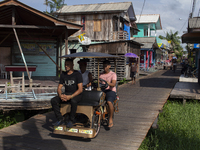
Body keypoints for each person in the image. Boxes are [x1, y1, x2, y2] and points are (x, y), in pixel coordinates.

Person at [51, 58, 83, 128]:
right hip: (66, 93)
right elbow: (59, 87)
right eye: (65, 65)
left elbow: (80, 89)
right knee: (53, 100)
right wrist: (60, 95)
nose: (66, 66)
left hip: (76, 94)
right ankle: (60, 118)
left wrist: (70, 96)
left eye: (68, 65)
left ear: (72, 65)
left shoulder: (77, 74)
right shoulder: (63, 75)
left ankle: (71, 120)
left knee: (73, 101)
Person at [99, 60, 117, 128]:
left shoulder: (113, 74)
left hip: (110, 90)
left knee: (109, 102)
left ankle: (110, 118)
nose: (104, 67)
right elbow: (99, 82)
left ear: (109, 66)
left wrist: (108, 83)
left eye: (106, 66)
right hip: (103, 90)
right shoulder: (101, 74)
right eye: (103, 66)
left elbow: (113, 84)